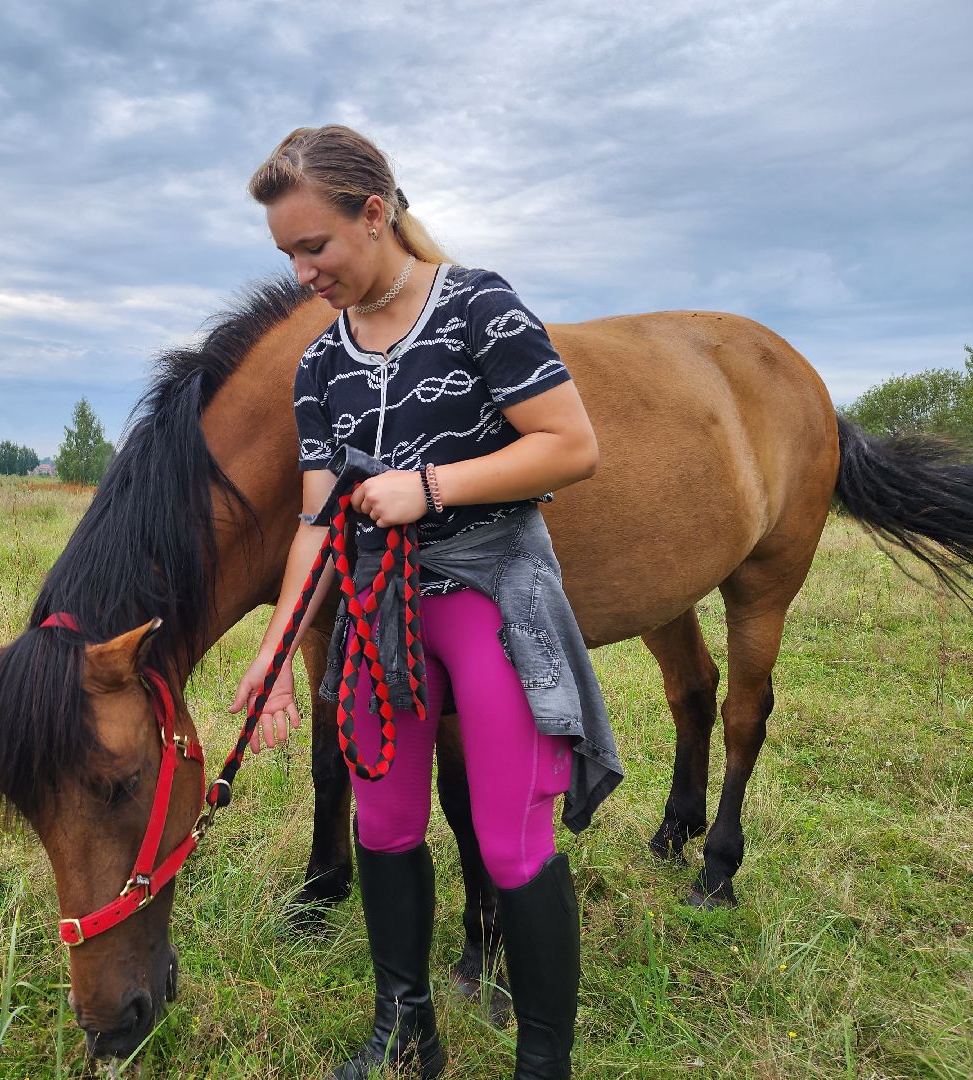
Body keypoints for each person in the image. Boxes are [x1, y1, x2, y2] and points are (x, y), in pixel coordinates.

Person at [228, 125, 624, 1080]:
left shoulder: (478, 305)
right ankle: (407, 1030)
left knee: (513, 835)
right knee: (387, 826)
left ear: (376, 213)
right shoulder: (320, 364)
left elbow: (571, 445)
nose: (302, 271)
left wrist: (432, 486)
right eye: (286, 253)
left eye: (313, 246)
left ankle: (543, 1063)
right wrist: (275, 656)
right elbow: (318, 525)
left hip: (489, 598)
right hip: (380, 623)